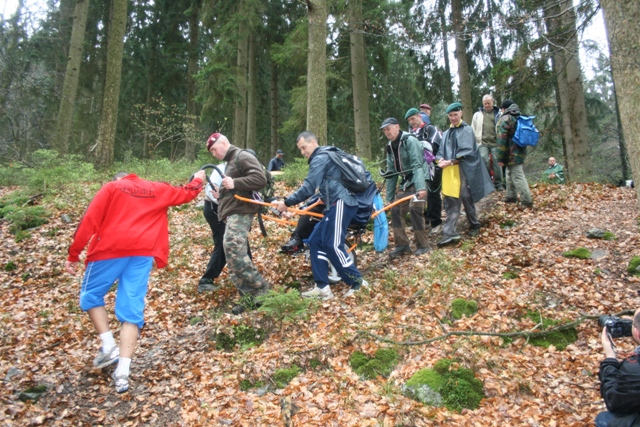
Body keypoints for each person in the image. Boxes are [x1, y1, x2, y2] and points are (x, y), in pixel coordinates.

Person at [64, 169, 206, 393]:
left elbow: (89, 220)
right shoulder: (156, 188)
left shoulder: (111, 188)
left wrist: (74, 254)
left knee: (90, 295)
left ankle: (109, 345)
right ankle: (123, 372)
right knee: (131, 307)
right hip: (142, 253)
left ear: (117, 179)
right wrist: (199, 178)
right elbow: (186, 193)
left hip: (108, 251)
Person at [273, 131, 368, 300]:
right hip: (334, 204)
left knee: (332, 244)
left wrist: (287, 202)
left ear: (313, 142)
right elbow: (320, 192)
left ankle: (358, 283)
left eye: (304, 147)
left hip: (342, 203)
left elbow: (309, 188)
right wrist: (297, 208)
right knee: (316, 241)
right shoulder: (328, 155)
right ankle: (323, 287)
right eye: (300, 150)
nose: (303, 152)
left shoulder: (320, 157)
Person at [207, 132, 270, 314]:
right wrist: (223, 193)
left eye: (214, 149)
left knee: (233, 249)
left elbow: (259, 179)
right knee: (232, 253)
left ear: (224, 143)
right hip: (233, 212)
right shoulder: (230, 162)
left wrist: (234, 182)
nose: (213, 154)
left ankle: (263, 292)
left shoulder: (242, 156)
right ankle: (249, 296)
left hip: (242, 212)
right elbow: (235, 187)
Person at [435, 102, 494, 247]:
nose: (453, 118)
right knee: (451, 200)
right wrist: (439, 160)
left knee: (466, 197)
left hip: (463, 170)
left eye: (455, 115)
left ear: (461, 113)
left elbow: (467, 152)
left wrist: (451, 162)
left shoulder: (467, 130)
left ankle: (474, 224)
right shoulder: (447, 133)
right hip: (449, 173)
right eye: (451, 115)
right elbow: (440, 152)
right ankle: (449, 232)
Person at [197, 158, 252, 293]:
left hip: (229, 211)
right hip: (214, 209)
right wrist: (222, 198)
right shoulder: (223, 169)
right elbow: (212, 192)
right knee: (225, 243)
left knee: (237, 242)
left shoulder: (244, 171)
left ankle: (249, 278)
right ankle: (206, 281)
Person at [379, 117, 431, 257]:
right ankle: (402, 245)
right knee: (395, 209)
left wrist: (421, 188)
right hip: (406, 182)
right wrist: (389, 198)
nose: (387, 132)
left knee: (415, 208)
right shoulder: (390, 146)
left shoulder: (410, 141)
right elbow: (391, 173)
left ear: (397, 126)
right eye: (384, 130)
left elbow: (417, 165)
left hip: (420, 179)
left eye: (389, 128)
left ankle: (423, 245)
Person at [596, 308, 640, 427]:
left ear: (637, 333)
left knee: (604, 418)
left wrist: (610, 358)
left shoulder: (634, 368)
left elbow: (614, 401)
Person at [404, 107, 443, 229]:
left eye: (413, 118)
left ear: (419, 116)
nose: (411, 122)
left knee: (433, 193)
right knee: (419, 193)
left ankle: (436, 222)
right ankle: (423, 219)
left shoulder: (430, 129)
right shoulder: (410, 133)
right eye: (409, 120)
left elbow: (434, 146)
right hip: (418, 169)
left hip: (433, 166)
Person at [496, 100, 533, 207]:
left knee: (517, 175)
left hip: (510, 152)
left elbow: (501, 140)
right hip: (520, 151)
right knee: (509, 173)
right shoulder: (518, 117)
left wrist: (500, 157)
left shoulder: (505, 119)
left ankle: (526, 200)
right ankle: (511, 196)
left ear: (504, 109)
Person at [471, 94, 504, 191]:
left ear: (492, 102)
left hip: (496, 142)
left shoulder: (498, 114)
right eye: (485, 103)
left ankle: (499, 184)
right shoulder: (477, 115)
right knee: (484, 161)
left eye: (488, 103)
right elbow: (473, 129)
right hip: (482, 142)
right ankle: (488, 183)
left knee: (497, 163)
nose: (487, 105)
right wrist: (473, 142)